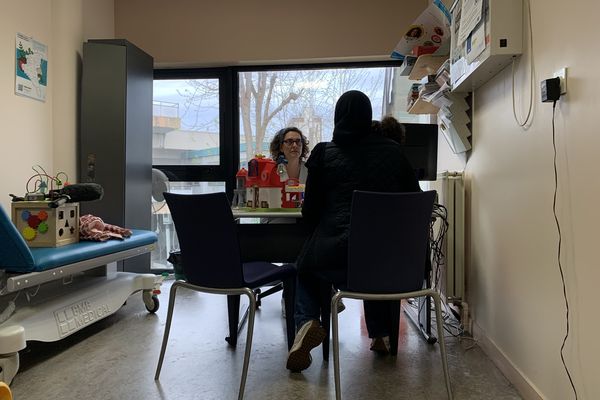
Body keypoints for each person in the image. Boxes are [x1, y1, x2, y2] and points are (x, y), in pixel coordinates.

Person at [286, 91, 420, 372]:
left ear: (338, 117)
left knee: (306, 266)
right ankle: (381, 334)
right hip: (390, 266)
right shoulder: (394, 152)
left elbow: (309, 213)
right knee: (374, 252)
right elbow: (414, 202)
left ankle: (308, 321)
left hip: (337, 261)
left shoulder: (324, 153)